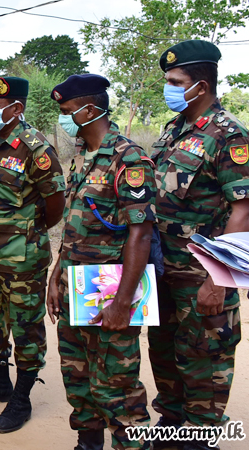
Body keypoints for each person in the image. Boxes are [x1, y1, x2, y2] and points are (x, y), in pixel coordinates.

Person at [148, 40, 249, 450]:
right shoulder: (174, 130)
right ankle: (172, 423)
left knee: (204, 358)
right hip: (163, 268)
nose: (168, 88)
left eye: (175, 81)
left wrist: (219, 278)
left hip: (200, 272)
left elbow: (243, 211)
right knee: (165, 351)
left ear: (201, 86)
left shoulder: (229, 135)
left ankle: (201, 436)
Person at [46, 74, 154, 450]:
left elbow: (140, 234)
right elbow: (75, 226)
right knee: (77, 374)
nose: (63, 118)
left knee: (117, 385)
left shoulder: (130, 158)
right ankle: (88, 442)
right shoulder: (81, 157)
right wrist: (55, 277)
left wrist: (122, 302)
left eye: (66, 111)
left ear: (90, 110)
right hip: (75, 286)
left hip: (110, 288)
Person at [0, 77, 65, 434]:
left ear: (16, 108)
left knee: (25, 327)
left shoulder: (37, 149)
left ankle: (21, 399)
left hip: (23, 256)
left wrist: (31, 231)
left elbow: (55, 205)